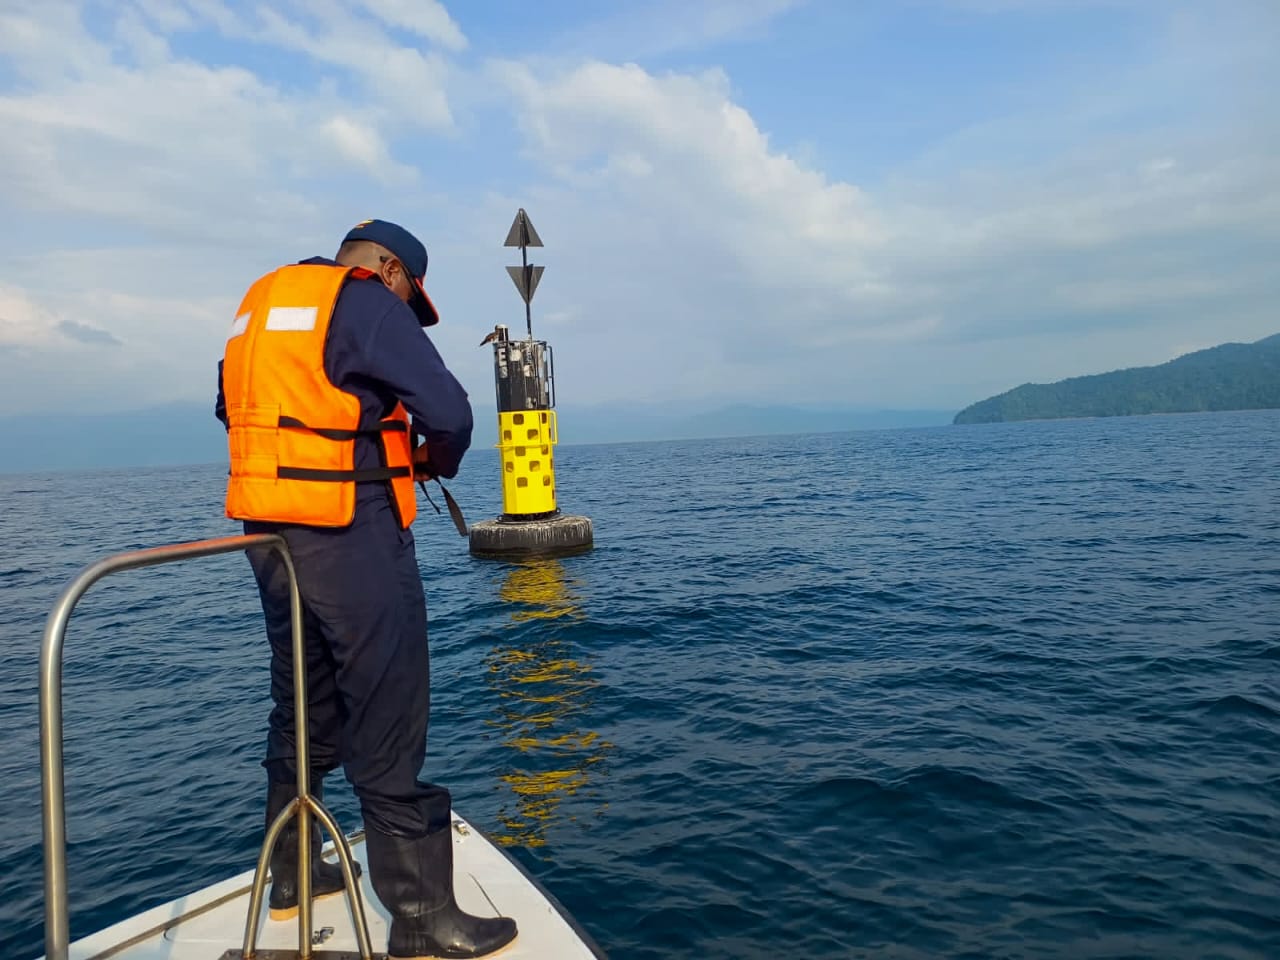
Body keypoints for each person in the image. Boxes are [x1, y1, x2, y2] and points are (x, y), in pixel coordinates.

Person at [215, 219, 517, 959]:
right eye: (411, 295)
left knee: (302, 702)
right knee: (386, 704)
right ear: (389, 270)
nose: (407, 310)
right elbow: (449, 413)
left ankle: (290, 871)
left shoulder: (260, 302)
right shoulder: (365, 302)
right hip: (352, 531)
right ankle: (420, 917)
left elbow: (233, 410)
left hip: (268, 537)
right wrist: (431, 458)